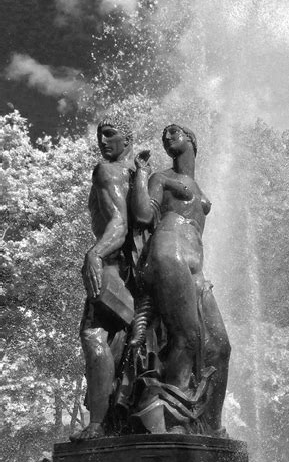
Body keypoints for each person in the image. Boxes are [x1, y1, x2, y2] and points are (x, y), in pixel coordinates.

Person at [131, 124, 230, 435]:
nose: (166, 137)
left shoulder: (197, 187)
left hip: (195, 264)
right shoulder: (162, 178)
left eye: (174, 132)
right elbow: (145, 217)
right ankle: (175, 422)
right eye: (164, 135)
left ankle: (211, 426)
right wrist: (140, 176)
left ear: (191, 140)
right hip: (168, 249)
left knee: (220, 346)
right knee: (186, 337)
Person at [72, 116, 136, 440]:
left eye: (110, 134)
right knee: (118, 349)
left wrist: (95, 253)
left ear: (128, 138)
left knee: (93, 337)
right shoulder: (134, 175)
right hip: (132, 274)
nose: (103, 141)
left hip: (111, 268)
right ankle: (110, 421)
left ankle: (97, 425)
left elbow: (119, 223)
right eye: (100, 135)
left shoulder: (107, 170)